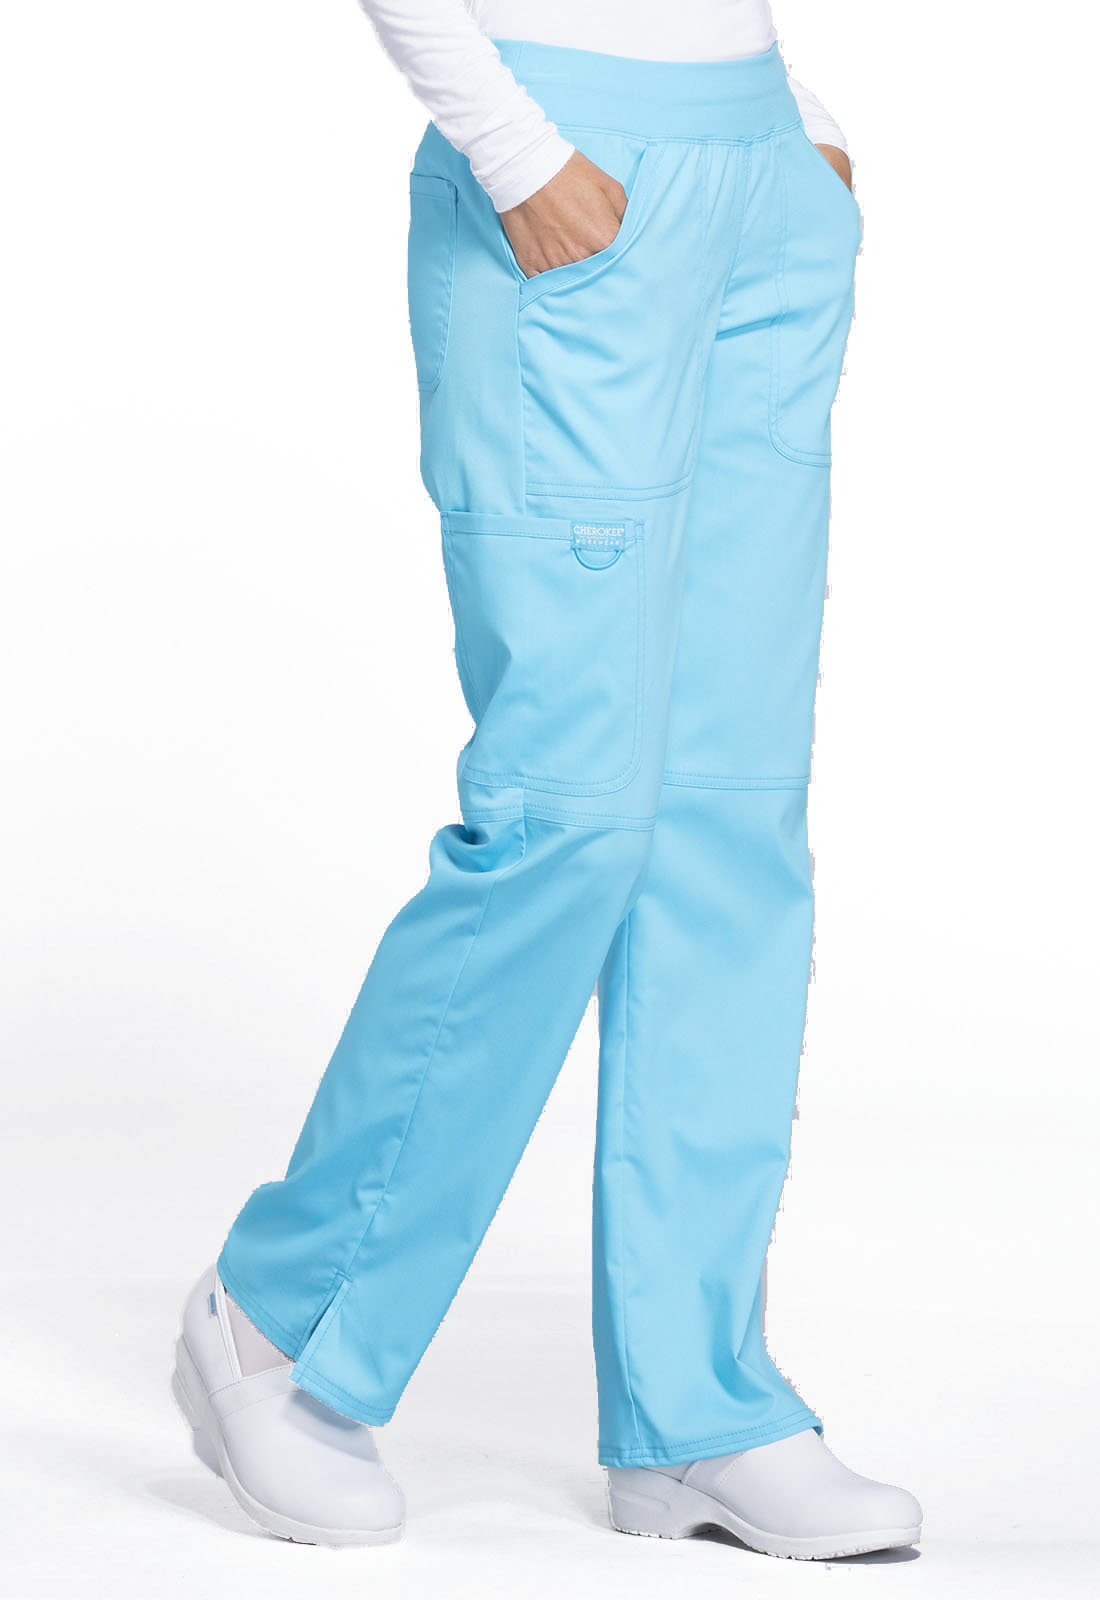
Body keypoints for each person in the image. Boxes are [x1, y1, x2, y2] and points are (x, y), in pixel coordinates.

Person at [172, 0, 924, 1558]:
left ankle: (699, 1411)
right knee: (567, 822)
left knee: (727, 824)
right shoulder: (533, 160)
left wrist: (797, 120)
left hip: (759, 180)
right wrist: (512, 146)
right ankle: (276, 1323)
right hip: (563, 167)